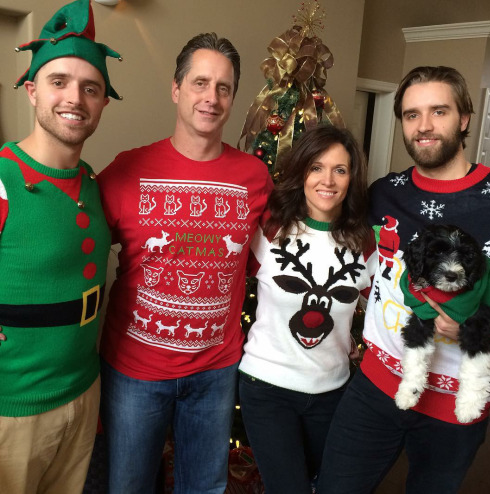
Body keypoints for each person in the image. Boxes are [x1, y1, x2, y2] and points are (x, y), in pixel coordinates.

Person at [98, 32, 273, 494]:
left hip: (214, 372)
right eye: (199, 83)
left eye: (223, 87)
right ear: (176, 90)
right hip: (134, 372)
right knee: (128, 486)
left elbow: (281, 258)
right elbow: (78, 250)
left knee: (205, 487)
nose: (210, 98)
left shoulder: (255, 177)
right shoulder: (126, 171)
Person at [318, 66, 490, 494]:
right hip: (375, 385)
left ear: (465, 118)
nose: (424, 126)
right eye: (411, 114)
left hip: (454, 406)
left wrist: (481, 331)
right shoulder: (384, 193)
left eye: (439, 111)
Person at [0, 0, 122, 492]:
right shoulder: (3, 179)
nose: (75, 97)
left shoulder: (93, 183)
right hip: (14, 408)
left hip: (82, 392)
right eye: (59, 82)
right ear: (32, 91)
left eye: (90, 88)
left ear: (102, 103)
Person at [238, 125, 375, 494]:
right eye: (316, 167)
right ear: (301, 172)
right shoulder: (269, 230)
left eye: (340, 170)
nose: (327, 180)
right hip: (267, 388)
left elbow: (383, 310)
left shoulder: (364, 243)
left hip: (332, 391)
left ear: (351, 178)